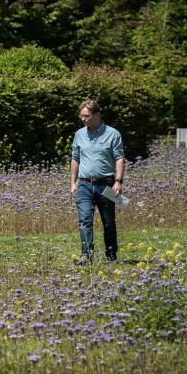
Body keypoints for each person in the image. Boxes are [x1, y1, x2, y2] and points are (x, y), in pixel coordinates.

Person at [69, 99, 125, 264]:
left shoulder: (113, 134)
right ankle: (86, 255)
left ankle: (111, 256)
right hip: (84, 185)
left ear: (97, 114)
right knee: (85, 220)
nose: (84, 119)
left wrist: (118, 181)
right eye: (82, 116)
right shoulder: (79, 135)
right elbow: (75, 159)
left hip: (106, 184)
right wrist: (73, 183)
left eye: (87, 116)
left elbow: (120, 158)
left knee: (108, 223)